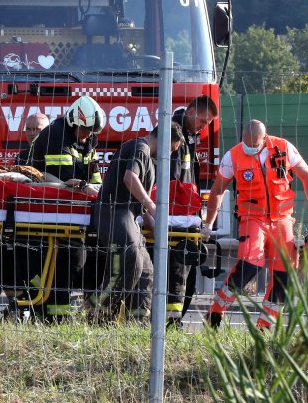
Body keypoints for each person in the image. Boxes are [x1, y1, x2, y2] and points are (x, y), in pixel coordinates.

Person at [202, 119, 308, 330]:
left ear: (264, 139)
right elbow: (217, 190)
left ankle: (264, 325)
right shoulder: (233, 156)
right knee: (248, 264)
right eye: (246, 144)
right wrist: (208, 223)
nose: (249, 149)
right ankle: (215, 312)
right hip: (252, 218)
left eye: (253, 145)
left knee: (284, 273)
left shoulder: (284, 148)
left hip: (282, 218)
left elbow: (307, 176)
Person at [90, 122, 184, 321]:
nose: (170, 155)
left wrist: (153, 223)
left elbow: (136, 199)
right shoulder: (140, 148)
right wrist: (153, 208)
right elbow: (130, 178)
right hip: (115, 212)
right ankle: (96, 313)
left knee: (146, 271)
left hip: (128, 215)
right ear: (165, 139)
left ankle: (137, 322)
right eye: (171, 149)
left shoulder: (146, 155)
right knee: (128, 261)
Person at [28, 96, 104, 320]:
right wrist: (85, 186)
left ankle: (64, 314)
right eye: (85, 130)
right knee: (70, 257)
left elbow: (95, 178)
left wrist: (98, 190)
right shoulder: (55, 135)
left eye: (91, 131)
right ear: (74, 122)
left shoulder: (86, 141)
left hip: (72, 215)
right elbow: (64, 180)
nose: (87, 135)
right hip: (48, 209)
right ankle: (55, 317)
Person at [165, 95, 218, 324]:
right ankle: (171, 321)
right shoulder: (175, 134)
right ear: (192, 111)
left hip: (186, 215)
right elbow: (172, 180)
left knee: (187, 271)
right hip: (176, 216)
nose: (203, 128)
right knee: (177, 270)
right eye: (203, 122)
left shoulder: (189, 137)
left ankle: (175, 319)